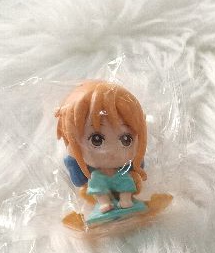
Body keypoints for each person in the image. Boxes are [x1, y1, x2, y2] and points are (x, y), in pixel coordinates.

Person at [56, 80, 149, 225]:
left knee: (126, 181)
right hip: (99, 178)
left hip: (121, 175)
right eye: (96, 140)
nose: (111, 151)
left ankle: (126, 200)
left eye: (126, 139)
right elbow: (78, 180)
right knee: (97, 184)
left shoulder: (127, 167)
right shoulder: (86, 168)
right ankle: (104, 203)